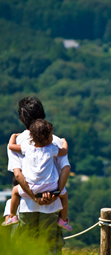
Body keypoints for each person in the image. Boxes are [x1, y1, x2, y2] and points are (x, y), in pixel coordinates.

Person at [7, 96, 71, 255]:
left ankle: (11, 216)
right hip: (52, 205)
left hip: (27, 204)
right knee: (50, 248)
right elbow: (66, 168)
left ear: (22, 119)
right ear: (43, 114)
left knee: (26, 247)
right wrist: (56, 194)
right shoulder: (54, 141)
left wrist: (34, 197)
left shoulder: (21, 143)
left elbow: (18, 176)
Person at [2, 119, 72, 231]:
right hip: (51, 187)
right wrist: (64, 142)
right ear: (46, 138)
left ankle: (11, 216)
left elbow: (11, 146)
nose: (52, 138)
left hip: (31, 188)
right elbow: (64, 151)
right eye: (50, 136)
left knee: (15, 191)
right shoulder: (51, 149)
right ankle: (63, 220)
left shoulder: (27, 148)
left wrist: (13, 136)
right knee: (64, 195)